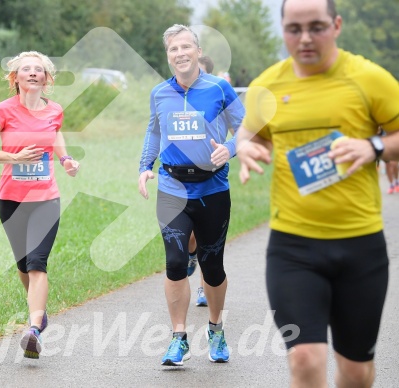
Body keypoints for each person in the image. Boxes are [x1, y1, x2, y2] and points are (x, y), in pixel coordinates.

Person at [236, 0, 399, 386]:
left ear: (337, 25)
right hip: (294, 248)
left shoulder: (370, 79)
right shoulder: (267, 86)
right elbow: (249, 133)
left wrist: (373, 147)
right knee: (306, 359)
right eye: (294, 29)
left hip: (360, 245)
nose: (305, 38)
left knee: (356, 373)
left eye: (317, 27)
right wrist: (245, 146)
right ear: (282, 30)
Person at [138, 24, 244, 365]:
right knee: (174, 263)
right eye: (173, 49)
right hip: (172, 188)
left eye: (186, 47)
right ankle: (178, 338)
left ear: (198, 52)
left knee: (212, 268)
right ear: (167, 56)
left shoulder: (220, 89)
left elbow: (247, 131)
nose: (180, 53)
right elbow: (154, 131)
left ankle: (215, 330)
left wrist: (229, 149)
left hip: (212, 189)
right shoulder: (159, 93)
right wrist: (144, 166)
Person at [0, 51, 80, 360]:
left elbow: (56, 134)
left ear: (46, 79)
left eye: (39, 70)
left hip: (46, 198)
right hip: (10, 198)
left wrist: (65, 159)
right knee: (23, 265)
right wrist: (14, 158)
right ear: (16, 78)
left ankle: (34, 329)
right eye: (26, 69)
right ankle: (39, 312)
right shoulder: (3, 110)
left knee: (37, 263)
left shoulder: (55, 111)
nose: (33, 73)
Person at [187, 55, 217, 308]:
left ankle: (202, 288)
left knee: (207, 238)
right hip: (181, 178)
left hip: (210, 177)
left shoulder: (216, 97)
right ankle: (190, 255)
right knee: (192, 238)